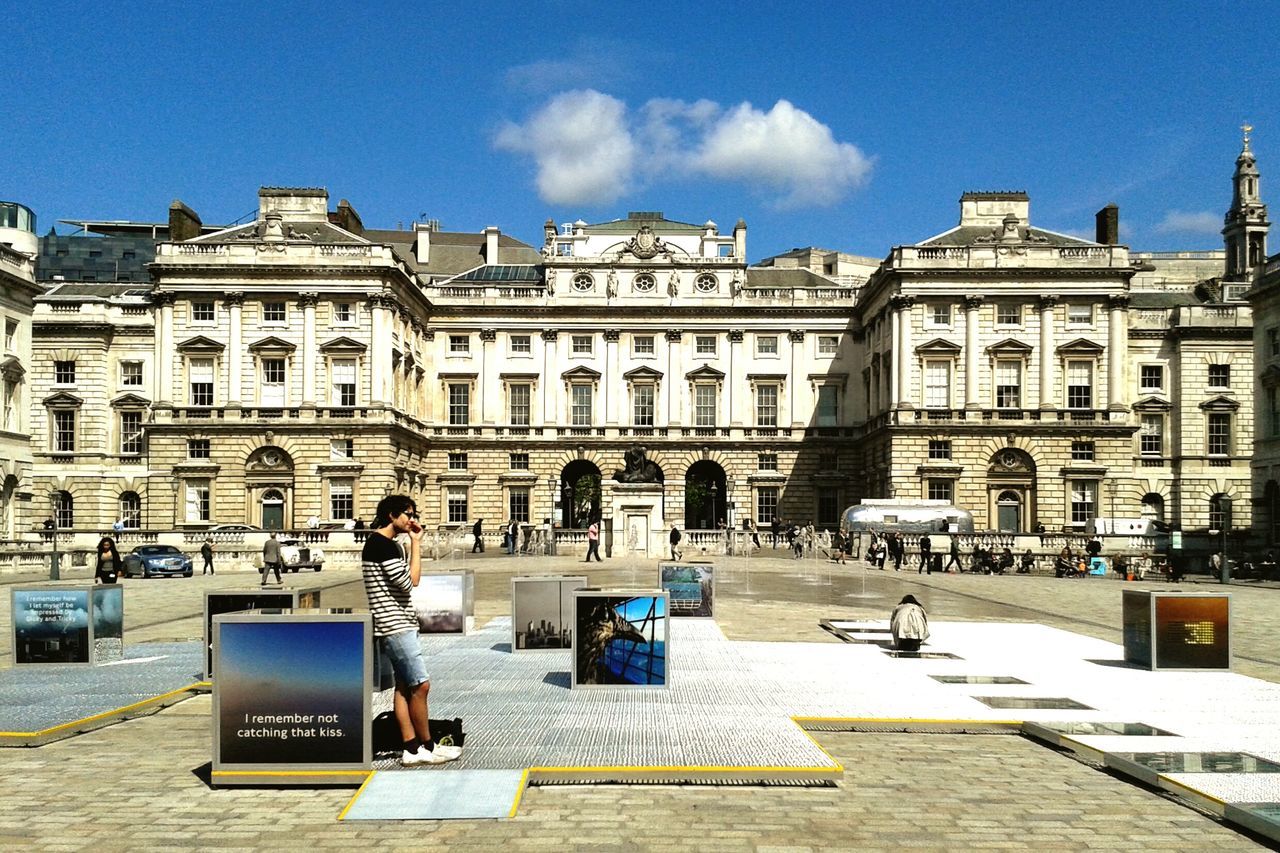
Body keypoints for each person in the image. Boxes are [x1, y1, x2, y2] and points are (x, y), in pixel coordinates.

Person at [361, 494, 461, 766]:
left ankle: (411, 748)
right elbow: (410, 582)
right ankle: (428, 745)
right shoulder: (384, 546)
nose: (412, 519)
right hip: (396, 625)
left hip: (395, 623)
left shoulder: (381, 544)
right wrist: (416, 545)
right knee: (421, 685)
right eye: (407, 513)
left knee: (404, 687)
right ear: (391, 516)